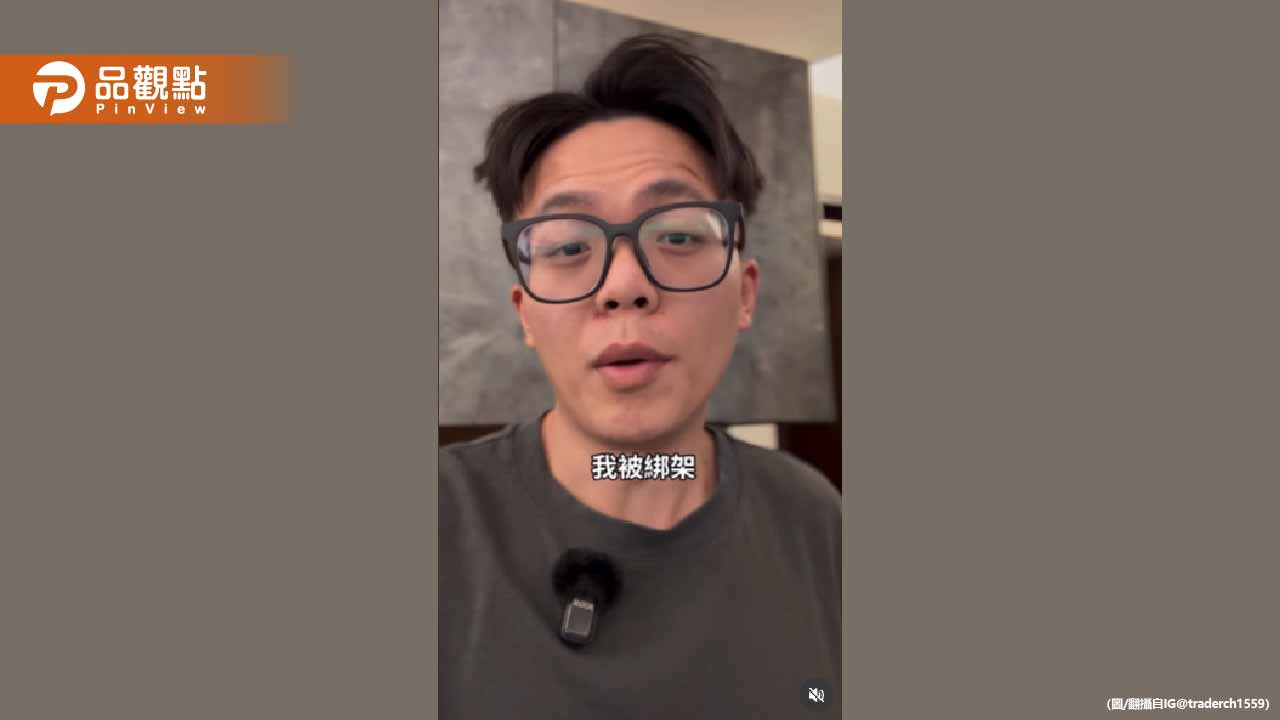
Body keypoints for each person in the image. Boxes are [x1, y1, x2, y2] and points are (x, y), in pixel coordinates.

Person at [440, 34, 840, 718]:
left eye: (679, 235)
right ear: (526, 313)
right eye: (569, 245)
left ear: (745, 294)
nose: (624, 285)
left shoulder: (813, 519)